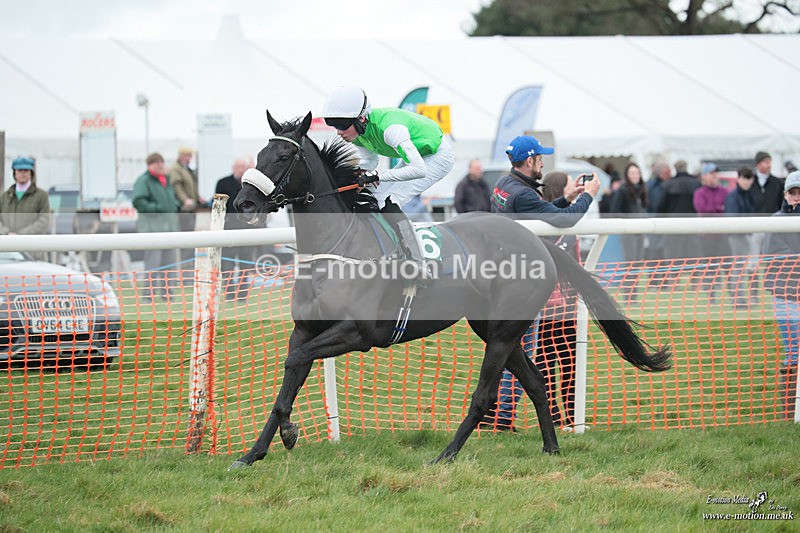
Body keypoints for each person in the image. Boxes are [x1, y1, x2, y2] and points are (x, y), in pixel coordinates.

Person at [485, 135, 600, 431]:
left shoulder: (505, 184)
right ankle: (503, 421)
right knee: (518, 355)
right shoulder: (523, 194)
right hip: (520, 283)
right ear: (529, 161)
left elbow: (543, 215)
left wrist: (568, 196)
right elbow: (564, 221)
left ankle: (490, 417)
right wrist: (588, 195)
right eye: (540, 159)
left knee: (505, 352)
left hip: (502, 277)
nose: (543, 164)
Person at [322, 86, 455, 277]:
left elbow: (419, 170)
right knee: (373, 196)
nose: (338, 132)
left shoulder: (391, 129)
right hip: (417, 156)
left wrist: (377, 176)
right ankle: (381, 250)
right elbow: (370, 161)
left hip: (437, 156)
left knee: (389, 200)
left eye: (342, 125)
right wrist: (359, 173)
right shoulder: (358, 133)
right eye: (334, 125)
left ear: (361, 118)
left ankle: (417, 262)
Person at [761, 170, 800, 419]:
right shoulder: (776, 221)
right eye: (792, 192)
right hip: (785, 295)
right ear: (785, 194)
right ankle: (789, 412)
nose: (796, 198)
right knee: (794, 351)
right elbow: (777, 260)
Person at [132, 152, 181, 302]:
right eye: (157, 162)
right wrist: (157, 207)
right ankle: (149, 295)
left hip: (169, 229)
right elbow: (138, 201)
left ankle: (167, 294)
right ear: (150, 165)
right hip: (152, 230)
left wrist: (176, 206)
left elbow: (171, 201)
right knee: (153, 265)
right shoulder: (143, 181)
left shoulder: (165, 180)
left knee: (170, 265)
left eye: (162, 162)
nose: (160, 165)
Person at [215, 157, 265, 300]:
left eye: (243, 167)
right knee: (228, 264)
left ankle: (242, 294)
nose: (240, 170)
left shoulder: (250, 185)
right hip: (229, 229)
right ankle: (230, 293)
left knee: (245, 263)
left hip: (246, 229)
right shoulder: (223, 183)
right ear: (233, 168)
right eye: (238, 167)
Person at [655, 160, 701, 282]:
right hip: (693, 225)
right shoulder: (696, 184)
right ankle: (695, 282)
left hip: (673, 225)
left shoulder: (668, 185)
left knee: (673, 255)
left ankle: (675, 282)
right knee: (693, 254)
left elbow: (661, 207)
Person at [609, 162, 648, 303]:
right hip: (628, 233)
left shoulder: (642, 189)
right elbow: (614, 211)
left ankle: (634, 296)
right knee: (630, 264)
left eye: (637, 173)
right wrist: (628, 221)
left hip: (640, 231)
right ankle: (628, 297)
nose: (635, 176)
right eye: (632, 173)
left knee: (637, 265)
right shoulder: (622, 190)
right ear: (627, 175)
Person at [693, 163, 732, 300]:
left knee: (728, 268)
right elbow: (703, 210)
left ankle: (734, 296)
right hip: (706, 236)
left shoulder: (725, 191)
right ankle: (711, 297)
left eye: (715, 173)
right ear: (705, 176)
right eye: (711, 173)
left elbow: (727, 208)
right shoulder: (699, 193)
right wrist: (718, 208)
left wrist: (716, 209)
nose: (715, 176)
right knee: (710, 269)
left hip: (723, 236)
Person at [0, 157, 51, 261]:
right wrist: (7, 233)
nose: (23, 173)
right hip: (9, 253)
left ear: (31, 173)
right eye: (20, 170)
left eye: (26, 170)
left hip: (34, 252)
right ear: (14, 173)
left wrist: (20, 235)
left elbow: (44, 221)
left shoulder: (41, 195)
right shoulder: (5, 196)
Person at [724, 166, 758, 307]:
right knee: (738, 268)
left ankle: (748, 297)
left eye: (749, 178)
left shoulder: (750, 195)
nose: (746, 181)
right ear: (738, 179)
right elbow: (732, 217)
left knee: (750, 267)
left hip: (749, 235)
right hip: (737, 236)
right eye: (744, 178)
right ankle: (737, 299)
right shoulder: (732, 196)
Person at [169, 147, 203, 274]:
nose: (189, 158)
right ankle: (183, 271)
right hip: (183, 212)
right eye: (186, 155)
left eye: (190, 155)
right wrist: (185, 200)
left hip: (191, 210)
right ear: (181, 156)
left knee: (190, 243)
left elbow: (192, 186)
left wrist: (198, 197)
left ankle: (187, 270)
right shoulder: (176, 170)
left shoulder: (187, 169)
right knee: (184, 242)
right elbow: (177, 187)